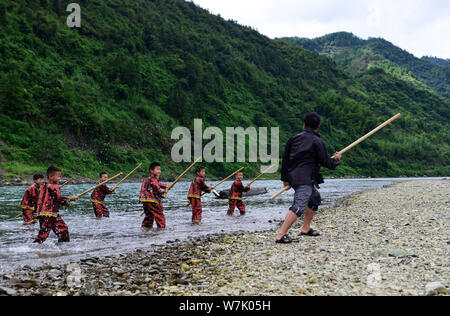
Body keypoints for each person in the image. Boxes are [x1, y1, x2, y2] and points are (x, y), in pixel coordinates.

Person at [276, 112, 342, 244]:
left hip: (297, 177)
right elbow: (326, 162)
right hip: (304, 179)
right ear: (317, 127)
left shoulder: (293, 139)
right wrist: (336, 159)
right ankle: (281, 235)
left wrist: (285, 179)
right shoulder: (319, 142)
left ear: (304, 125)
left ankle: (305, 228)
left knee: (314, 199)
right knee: (299, 205)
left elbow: (285, 160)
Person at [34, 166, 79, 244]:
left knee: (46, 232)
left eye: (60, 176)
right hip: (50, 213)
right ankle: (34, 248)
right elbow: (59, 200)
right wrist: (70, 199)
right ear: (51, 176)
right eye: (58, 176)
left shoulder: (43, 186)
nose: (59, 178)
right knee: (59, 230)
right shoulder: (54, 186)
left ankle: (61, 246)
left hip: (43, 213)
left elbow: (42, 200)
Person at [139, 162, 168, 229]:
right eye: (157, 169)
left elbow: (157, 184)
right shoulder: (154, 180)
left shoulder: (147, 179)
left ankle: (145, 231)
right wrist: (164, 192)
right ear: (151, 171)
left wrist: (166, 186)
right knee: (160, 216)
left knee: (149, 217)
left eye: (160, 170)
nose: (159, 171)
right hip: (152, 201)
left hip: (144, 201)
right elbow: (157, 190)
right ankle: (161, 230)